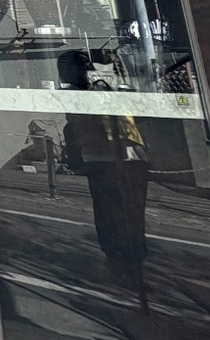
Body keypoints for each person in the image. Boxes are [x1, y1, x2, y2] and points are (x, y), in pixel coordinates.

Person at [58, 50, 151, 312]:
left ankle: (133, 265)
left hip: (128, 155)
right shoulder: (76, 95)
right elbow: (82, 123)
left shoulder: (105, 86)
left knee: (129, 212)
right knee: (110, 211)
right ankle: (120, 263)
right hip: (101, 157)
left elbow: (133, 112)